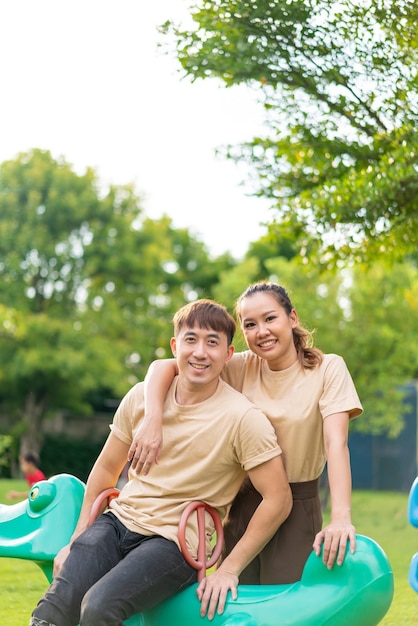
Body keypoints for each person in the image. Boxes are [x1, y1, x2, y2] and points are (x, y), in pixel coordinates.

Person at [29, 299, 292, 626]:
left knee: (99, 607)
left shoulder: (244, 418)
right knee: (58, 604)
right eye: (191, 339)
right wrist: (76, 539)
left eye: (212, 342)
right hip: (118, 522)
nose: (200, 352)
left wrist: (228, 569)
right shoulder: (141, 397)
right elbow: (105, 471)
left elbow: (278, 498)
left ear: (228, 354)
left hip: (175, 543)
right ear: (174, 345)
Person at [129, 281, 363, 584]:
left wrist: (341, 518)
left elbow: (336, 443)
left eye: (270, 319)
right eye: (250, 324)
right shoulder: (239, 366)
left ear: (292, 319)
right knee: (229, 598)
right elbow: (163, 366)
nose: (261, 331)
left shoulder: (327, 368)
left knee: (283, 609)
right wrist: (152, 417)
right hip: (240, 503)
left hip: (297, 506)